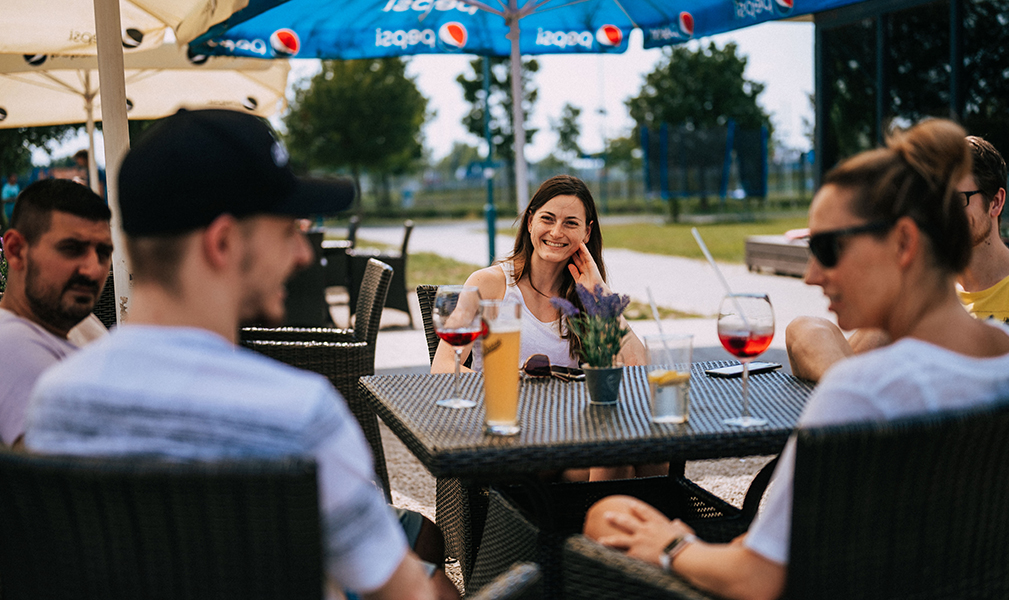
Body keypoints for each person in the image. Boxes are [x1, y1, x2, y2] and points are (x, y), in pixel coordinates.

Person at [582, 119, 1009, 600]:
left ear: (903, 243)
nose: (812, 276)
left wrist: (672, 545)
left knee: (606, 518)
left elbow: (757, 578)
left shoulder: (862, 390)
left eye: (829, 248)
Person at [24, 109, 454, 600]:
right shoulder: (298, 415)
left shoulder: (55, 404)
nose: (302, 254)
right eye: (287, 230)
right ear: (223, 242)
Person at [430, 174, 653, 481]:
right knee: (615, 462)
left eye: (571, 223)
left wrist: (601, 296)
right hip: (515, 433)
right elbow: (443, 365)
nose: (556, 232)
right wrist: (511, 391)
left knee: (652, 455)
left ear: (587, 232)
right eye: (547, 219)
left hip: (572, 429)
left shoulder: (584, 293)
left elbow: (637, 365)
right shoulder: (490, 284)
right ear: (531, 220)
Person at [786, 134, 1009, 382]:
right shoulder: (928, 289)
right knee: (806, 328)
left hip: (984, 414)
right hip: (908, 410)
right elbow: (845, 355)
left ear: (995, 203)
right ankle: (848, 402)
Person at [0, 179, 112, 448]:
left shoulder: (81, 323)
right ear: (16, 251)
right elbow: (73, 479)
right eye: (72, 249)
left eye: (103, 252)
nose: (93, 269)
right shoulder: (11, 343)